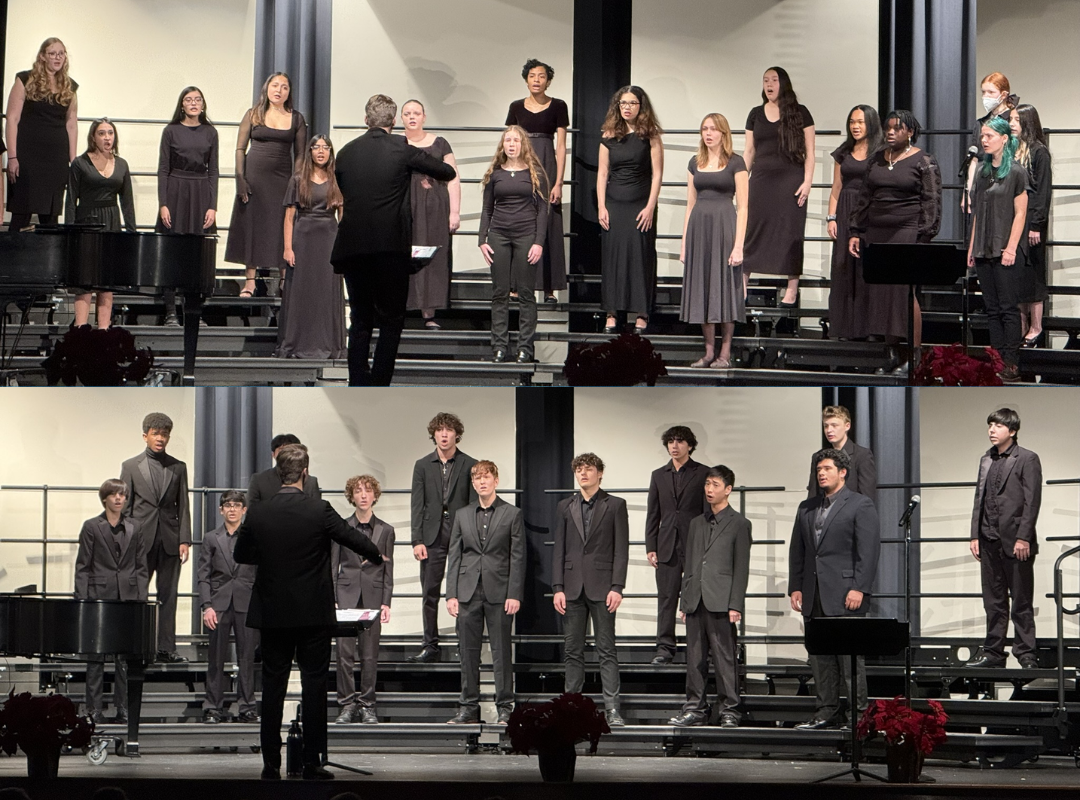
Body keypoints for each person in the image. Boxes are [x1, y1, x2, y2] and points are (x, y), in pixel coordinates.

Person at [233, 444, 382, 781]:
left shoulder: (258, 512)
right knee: (314, 686)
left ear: (278, 473)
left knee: (273, 686)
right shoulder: (320, 509)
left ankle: (271, 763)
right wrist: (376, 555)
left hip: (272, 613)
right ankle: (313, 762)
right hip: (313, 613)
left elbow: (242, 554)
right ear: (304, 473)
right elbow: (353, 538)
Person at [331, 94, 457, 386]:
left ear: (366, 120)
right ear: (393, 121)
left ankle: (358, 382)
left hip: (352, 248)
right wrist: (416, 169)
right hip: (390, 249)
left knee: (360, 320)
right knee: (391, 320)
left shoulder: (347, 152)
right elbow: (447, 171)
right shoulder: (402, 149)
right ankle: (379, 382)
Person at [789, 448, 880, 730]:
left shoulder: (860, 504)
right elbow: (799, 550)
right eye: (819, 469)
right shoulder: (807, 507)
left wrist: (860, 588)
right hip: (813, 592)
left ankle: (857, 715)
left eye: (827, 468)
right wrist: (796, 586)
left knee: (850, 659)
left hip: (846, 593)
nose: (821, 473)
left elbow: (869, 551)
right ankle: (826, 710)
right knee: (819, 657)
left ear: (842, 472)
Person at [848, 110, 942, 372]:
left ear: (909, 132)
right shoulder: (877, 160)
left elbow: (932, 201)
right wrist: (856, 230)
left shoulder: (924, 161)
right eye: (888, 128)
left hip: (907, 231)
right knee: (881, 295)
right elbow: (864, 196)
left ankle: (914, 356)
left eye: (897, 128)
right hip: (877, 232)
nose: (890, 132)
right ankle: (892, 354)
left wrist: (924, 236)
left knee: (904, 294)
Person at [669, 465, 752, 728]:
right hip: (696, 600)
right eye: (707, 484)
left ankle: (730, 710)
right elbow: (691, 563)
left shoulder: (739, 524)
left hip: (721, 600)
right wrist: (685, 600)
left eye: (715, 484)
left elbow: (741, 567)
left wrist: (735, 603)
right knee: (694, 659)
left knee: (725, 659)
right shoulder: (696, 523)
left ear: (728, 489)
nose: (709, 489)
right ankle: (695, 708)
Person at [552, 453, 629, 727]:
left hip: (603, 586)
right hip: (571, 588)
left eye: (588, 469)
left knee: (606, 649)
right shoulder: (565, 506)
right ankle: (570, 706)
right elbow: (559, 549)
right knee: (573, 650)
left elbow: (621, 550)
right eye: (579, 470)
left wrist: (617, 586)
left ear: (600, 473)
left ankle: (612, 709)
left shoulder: (616, 505)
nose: (583, 474)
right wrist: (558, 587)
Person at [445, 461, 525, 724]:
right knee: (468, 652)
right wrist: (451, 594)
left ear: (496, 480)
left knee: (502, 651)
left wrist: (514, 593)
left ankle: (505, 707)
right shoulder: (462, 514)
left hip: (500, 592)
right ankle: (468, 707)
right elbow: (454, 555)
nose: (482, 482)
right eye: (477, 478)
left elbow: (517, 557)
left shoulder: (511, 514)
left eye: (486, 477)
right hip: (467, 592)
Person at [966, 408, 1042, 669]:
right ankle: (994, 653)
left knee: (1021, 601)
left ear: (1012, 431)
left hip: (1016, 541)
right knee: (994, 602)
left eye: (997, 426)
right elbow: (979, 498)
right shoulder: (986, 459)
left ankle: (1026, 654)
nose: (991, 430)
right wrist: (974, 534)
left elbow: (1032, 502)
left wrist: (1024, 538)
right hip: (988, 539)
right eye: (990, 425)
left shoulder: (1027, 459)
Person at [226, 72, 308, 298]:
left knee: (282, 224)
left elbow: (301, 153)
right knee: (253, 224)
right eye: (275, 85)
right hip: (254, 177)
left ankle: (284, 280)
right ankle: (250, 281)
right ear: (267, 88)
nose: (279, 90)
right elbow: (240, 148)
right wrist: (240, 179)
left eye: (284, 87)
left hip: (283, 179)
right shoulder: (253, 114)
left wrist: (297, 180)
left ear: (289, 92)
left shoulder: (296, 118)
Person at [74, 478, 148, 725]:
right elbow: (83, 566)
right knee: (95, 658)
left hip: (127, 598)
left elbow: (140, 567)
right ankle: (93, 709)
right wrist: (83, 600)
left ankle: (123, 708)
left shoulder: (135, 527)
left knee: (123, 659)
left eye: (122, 495)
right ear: (104, 498)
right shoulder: (92, 527)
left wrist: (140, 599)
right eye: (114, 495)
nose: (119, 499)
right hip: (98, 598)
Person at [119, 412, 191, 664]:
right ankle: (136, 647)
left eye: (165, 434)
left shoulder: (178, 467)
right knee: (137, 594)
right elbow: (125, 507)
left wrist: (185, 539)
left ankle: (166, 649)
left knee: (169, 595)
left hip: (170, 541)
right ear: (145, 436)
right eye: (156, 434)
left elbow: (183, 505)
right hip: (140, 540)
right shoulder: (130, 466)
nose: (161, 438)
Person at [742, 66, 815, 316]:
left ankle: (791, 288)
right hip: (761, 181)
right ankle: (742, 284)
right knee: (752, 228)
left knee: (790, 232)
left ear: (783, 83)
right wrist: (741, 180)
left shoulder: (800, 113)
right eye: (765, 80)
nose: (769, 84)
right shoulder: (755, 114)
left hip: (791, 182)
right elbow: (749, 151)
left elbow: (810, 152)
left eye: (773, 80)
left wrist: (807, 182)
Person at [679, 113, 748, 368]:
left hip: (724, 228)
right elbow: (690, 205)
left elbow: (743, 207)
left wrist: (739, 245)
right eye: (704, 129)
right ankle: (708, 352)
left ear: (723, 133)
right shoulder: (695, 162)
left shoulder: (736, 162)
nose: (708, 134)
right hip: (699, 230)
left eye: (713, 129)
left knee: (726, 290)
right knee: (702, 290)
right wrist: (685, 242)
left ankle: (725, 353)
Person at [408, 412, 478, 663]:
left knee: (462, 591)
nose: (444, 434)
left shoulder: (470, 463)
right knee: (430, 591)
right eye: (440, 430)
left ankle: (464, 645)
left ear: (457, 434)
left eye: (449, 430)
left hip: (461, 532)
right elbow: (417, 504)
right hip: (431, 534)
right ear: (434, 434)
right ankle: (430, 645)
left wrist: (473, 538)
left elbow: (473, 504)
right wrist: (416, 540)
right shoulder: (422, 464)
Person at [478, 126, 549, 363]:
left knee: (526, 294)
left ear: (523, 145)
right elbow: (487, 208)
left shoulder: (534, 173)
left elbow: (542, 211)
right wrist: (482, 240)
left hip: (526, 235)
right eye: (507, 140)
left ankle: (525, 349)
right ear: (503, 145)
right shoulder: (495, 174)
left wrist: (538, 242)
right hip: (498, 235)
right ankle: (499, 346)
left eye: (515, 140)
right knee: (500, 293)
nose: (511, 144)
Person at [597, 85, 663, 335]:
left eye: (632, 103)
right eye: (623, 103)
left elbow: (657, 174)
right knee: (613, 258)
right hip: (614, 204)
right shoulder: (609, 134)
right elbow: (603, 173)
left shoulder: (651, 135)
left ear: (641, 106)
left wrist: (650, 207)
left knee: (640, 257)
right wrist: (602, 206)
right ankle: (613, 312)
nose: (627, 107)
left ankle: (642, 313)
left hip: (640, 204)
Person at [967, 115, 1029, 382]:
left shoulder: (1016, 172)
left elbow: (1020, 213)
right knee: (991, 309)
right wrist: (971, 248)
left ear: (1004, 139)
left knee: (1008, 308)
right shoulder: (982, 171)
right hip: (983, 247)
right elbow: (977, 214)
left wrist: (1011, 247)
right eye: (982, 136)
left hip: (1005, 248)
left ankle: (1012, 363)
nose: (984, 140)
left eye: (989, 136)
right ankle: (996, 361)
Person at [505, 59, 570, 303]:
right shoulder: (515, 107)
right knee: (518, 220)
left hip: (546, 164)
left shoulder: (559, 106)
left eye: (541, 76)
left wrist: (559, 182)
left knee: (549, 222)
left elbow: (562, 146)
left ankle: (549, 288)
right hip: (520, 164)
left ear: (548, 81)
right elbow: (510, 140)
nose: (536, 80)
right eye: (532, 75)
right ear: (526, 79)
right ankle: (516, 284)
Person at [333, 475, 394, 725]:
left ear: (375, 495)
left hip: (372, 596)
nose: (363, 495)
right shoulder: (341, 527)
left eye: (368, 491)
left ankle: (368, 705)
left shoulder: (386, 530)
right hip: (346, 595)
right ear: (352, 496)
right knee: (344, 655)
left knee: (369, 655)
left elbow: (389, 570)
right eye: (358, 491)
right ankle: (347, 704)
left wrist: (386, 601)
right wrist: (332, 598)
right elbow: (332, 565)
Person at [155, 86, 219, 326]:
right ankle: (171, 312)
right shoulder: (170, 131)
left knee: (198, 256)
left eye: (198, 99)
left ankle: (194, 312)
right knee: (172, 252)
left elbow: (213, 170)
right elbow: (163, 169)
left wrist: (212, 205)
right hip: (175, 191)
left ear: (203, 105)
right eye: (188, 100)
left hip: (201, 193)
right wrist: (163, 204)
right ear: (182, 105)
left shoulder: (211, 132)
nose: (193, 103)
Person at [644, 426, 708, 664]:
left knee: (697, 598)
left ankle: (699, 647)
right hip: (666, 544)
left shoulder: (703, 473)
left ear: (689, 445)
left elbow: (707, 512)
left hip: (694, 544)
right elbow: (653, 513)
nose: (674, 445)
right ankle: (665, 648)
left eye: (680, 441)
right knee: (666, 598)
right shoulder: (658, 475)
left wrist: (707, 545)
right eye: (671, 441)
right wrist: (651, 545)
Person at [279, 134, 346, 359]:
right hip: (303, 237)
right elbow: (289, 218)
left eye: (325, 147)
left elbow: (343, 218)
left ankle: (329, 345)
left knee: (326, 291)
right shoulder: (298, 179)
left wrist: (344, 248)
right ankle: (297, 344)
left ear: (330, 152)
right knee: (301, 291)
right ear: (310, 152)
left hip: (329, 238)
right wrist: (288, 248)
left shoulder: (337, 179)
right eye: (316, 147)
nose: (320, 151)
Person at [65, 118, 136, 330]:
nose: (107, 137)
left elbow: (127, 201)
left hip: (111, 222)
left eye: (110, 133)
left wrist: (131, 233)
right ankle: (81, 331)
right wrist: (70, 232)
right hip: (86, 223)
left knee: (107, 282)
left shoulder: (122, 164)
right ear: (93, 138)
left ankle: (104, 333)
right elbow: (71, 200)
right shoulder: (80, 163)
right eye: (102, 133)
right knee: (85, 282)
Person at [198, 490, 258, 724]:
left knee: (246, 658)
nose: (232, 509)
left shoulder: (253, 537)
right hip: (219, 605)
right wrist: (207, 606)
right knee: (216, 658)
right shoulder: (211, 538)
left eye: (237, 505)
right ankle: (212, 707)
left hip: (247, 603)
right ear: (221, 509)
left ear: (244, 510)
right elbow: (203, 575)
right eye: (227, 505)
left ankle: (247, 707)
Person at [5, 38, 78, 231]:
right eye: (53, 53)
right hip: (27, 157)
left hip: (56, 159)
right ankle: (11, 259)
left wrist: (73, 161)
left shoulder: (70, 87)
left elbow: (71, 124)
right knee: (21, 213)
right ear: (42, 56)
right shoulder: (25, 80)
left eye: (61, 53)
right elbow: (12, 118)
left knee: (51, 218)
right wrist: (12, 157)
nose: (57, 57)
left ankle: (49, 260)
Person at [402, 100, 461, 328]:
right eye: (407, 113)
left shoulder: (440, 143)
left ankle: (430, 313)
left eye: (416, 113)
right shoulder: (399, 144)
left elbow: (453, 178)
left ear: (424, 117)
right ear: (401, 118)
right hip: (407, 206)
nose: (412, 117)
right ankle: (405, 308)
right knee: (407, 254)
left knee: (434, 256)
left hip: (436, 207)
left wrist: (454, 212)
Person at [826, 105, 883, 340]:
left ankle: (868, 328)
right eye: (852, 122)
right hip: (845, 211)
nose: (855, 126)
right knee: (843, 268)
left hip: (869, 213)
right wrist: (831, 217)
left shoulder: (881, 151)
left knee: (865, 269)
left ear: (870, 123)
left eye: (860, 121)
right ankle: (843, 328)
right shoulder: (844, 151)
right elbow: (836, 188)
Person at [1010, 105, 1052, 350]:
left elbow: (1042, 192)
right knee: (1018, 276)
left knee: (1033, 275)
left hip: (1032, 222)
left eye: (1017, 119)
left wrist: (1036, 224)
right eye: (1011, 119)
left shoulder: (1039, 152)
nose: (1012, 123)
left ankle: (1036, 327)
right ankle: (1021, 326)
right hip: (1016, 219)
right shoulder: (1012, 150)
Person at [965, 72, 1016, 209]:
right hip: (983, 181)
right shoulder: (981, 123)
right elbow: (975, 158)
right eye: (983, 92)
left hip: (1007, 182)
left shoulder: (1013, 120)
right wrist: (968, 191)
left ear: (1003, 95)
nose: (985, 97)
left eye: (991, 92)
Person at [805, 405, 877, 500]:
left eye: (834, 425)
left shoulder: (862, 455)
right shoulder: (818, 456)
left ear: (847, 426)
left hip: (851, 513)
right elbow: (813, 494)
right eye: (826, 426)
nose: (829, 430)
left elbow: (866, 496)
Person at [246, 434, 322, 508]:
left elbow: (316, 509)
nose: (286, 453)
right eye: (282, 450)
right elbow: (252, 510)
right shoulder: (259, 480)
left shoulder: (311, 481)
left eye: (291, 450)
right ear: (273, 454)